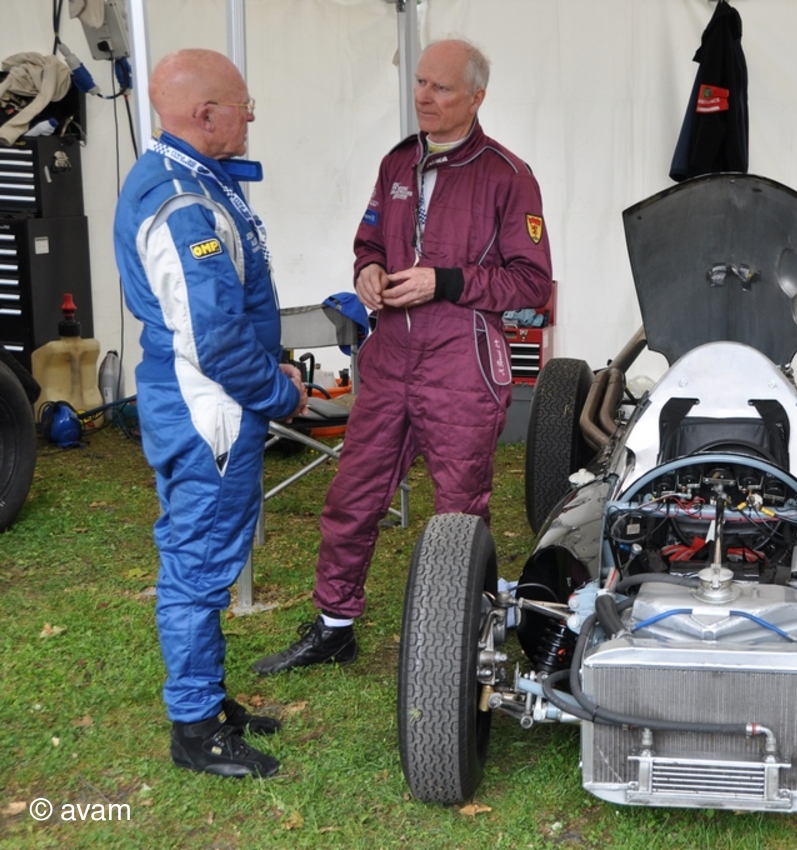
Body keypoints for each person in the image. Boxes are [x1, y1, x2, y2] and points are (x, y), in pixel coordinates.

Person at [253, 38, 553, 674]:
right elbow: (369, 239)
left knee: (460, 507)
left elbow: (531, 283)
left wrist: (444, 281)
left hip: (461, 361)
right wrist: (367, 268)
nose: (424, 96)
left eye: (441, 87)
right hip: (390, 355)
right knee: (354, 492)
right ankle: (334, 626)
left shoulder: (508, 175)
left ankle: (463, 635)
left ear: (476, 97)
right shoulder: (397, 162)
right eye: (420, 82)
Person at [114, 49, 308, 778]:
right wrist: (281, 393)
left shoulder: (187, 178)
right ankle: (195, 729)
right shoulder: (182, 202)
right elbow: (215, 338)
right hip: (207, 414)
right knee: (198, 567)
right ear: (206, 114)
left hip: (195, 403)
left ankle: (207, 701)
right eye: (243, 106)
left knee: (197, 555)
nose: (250, 118)